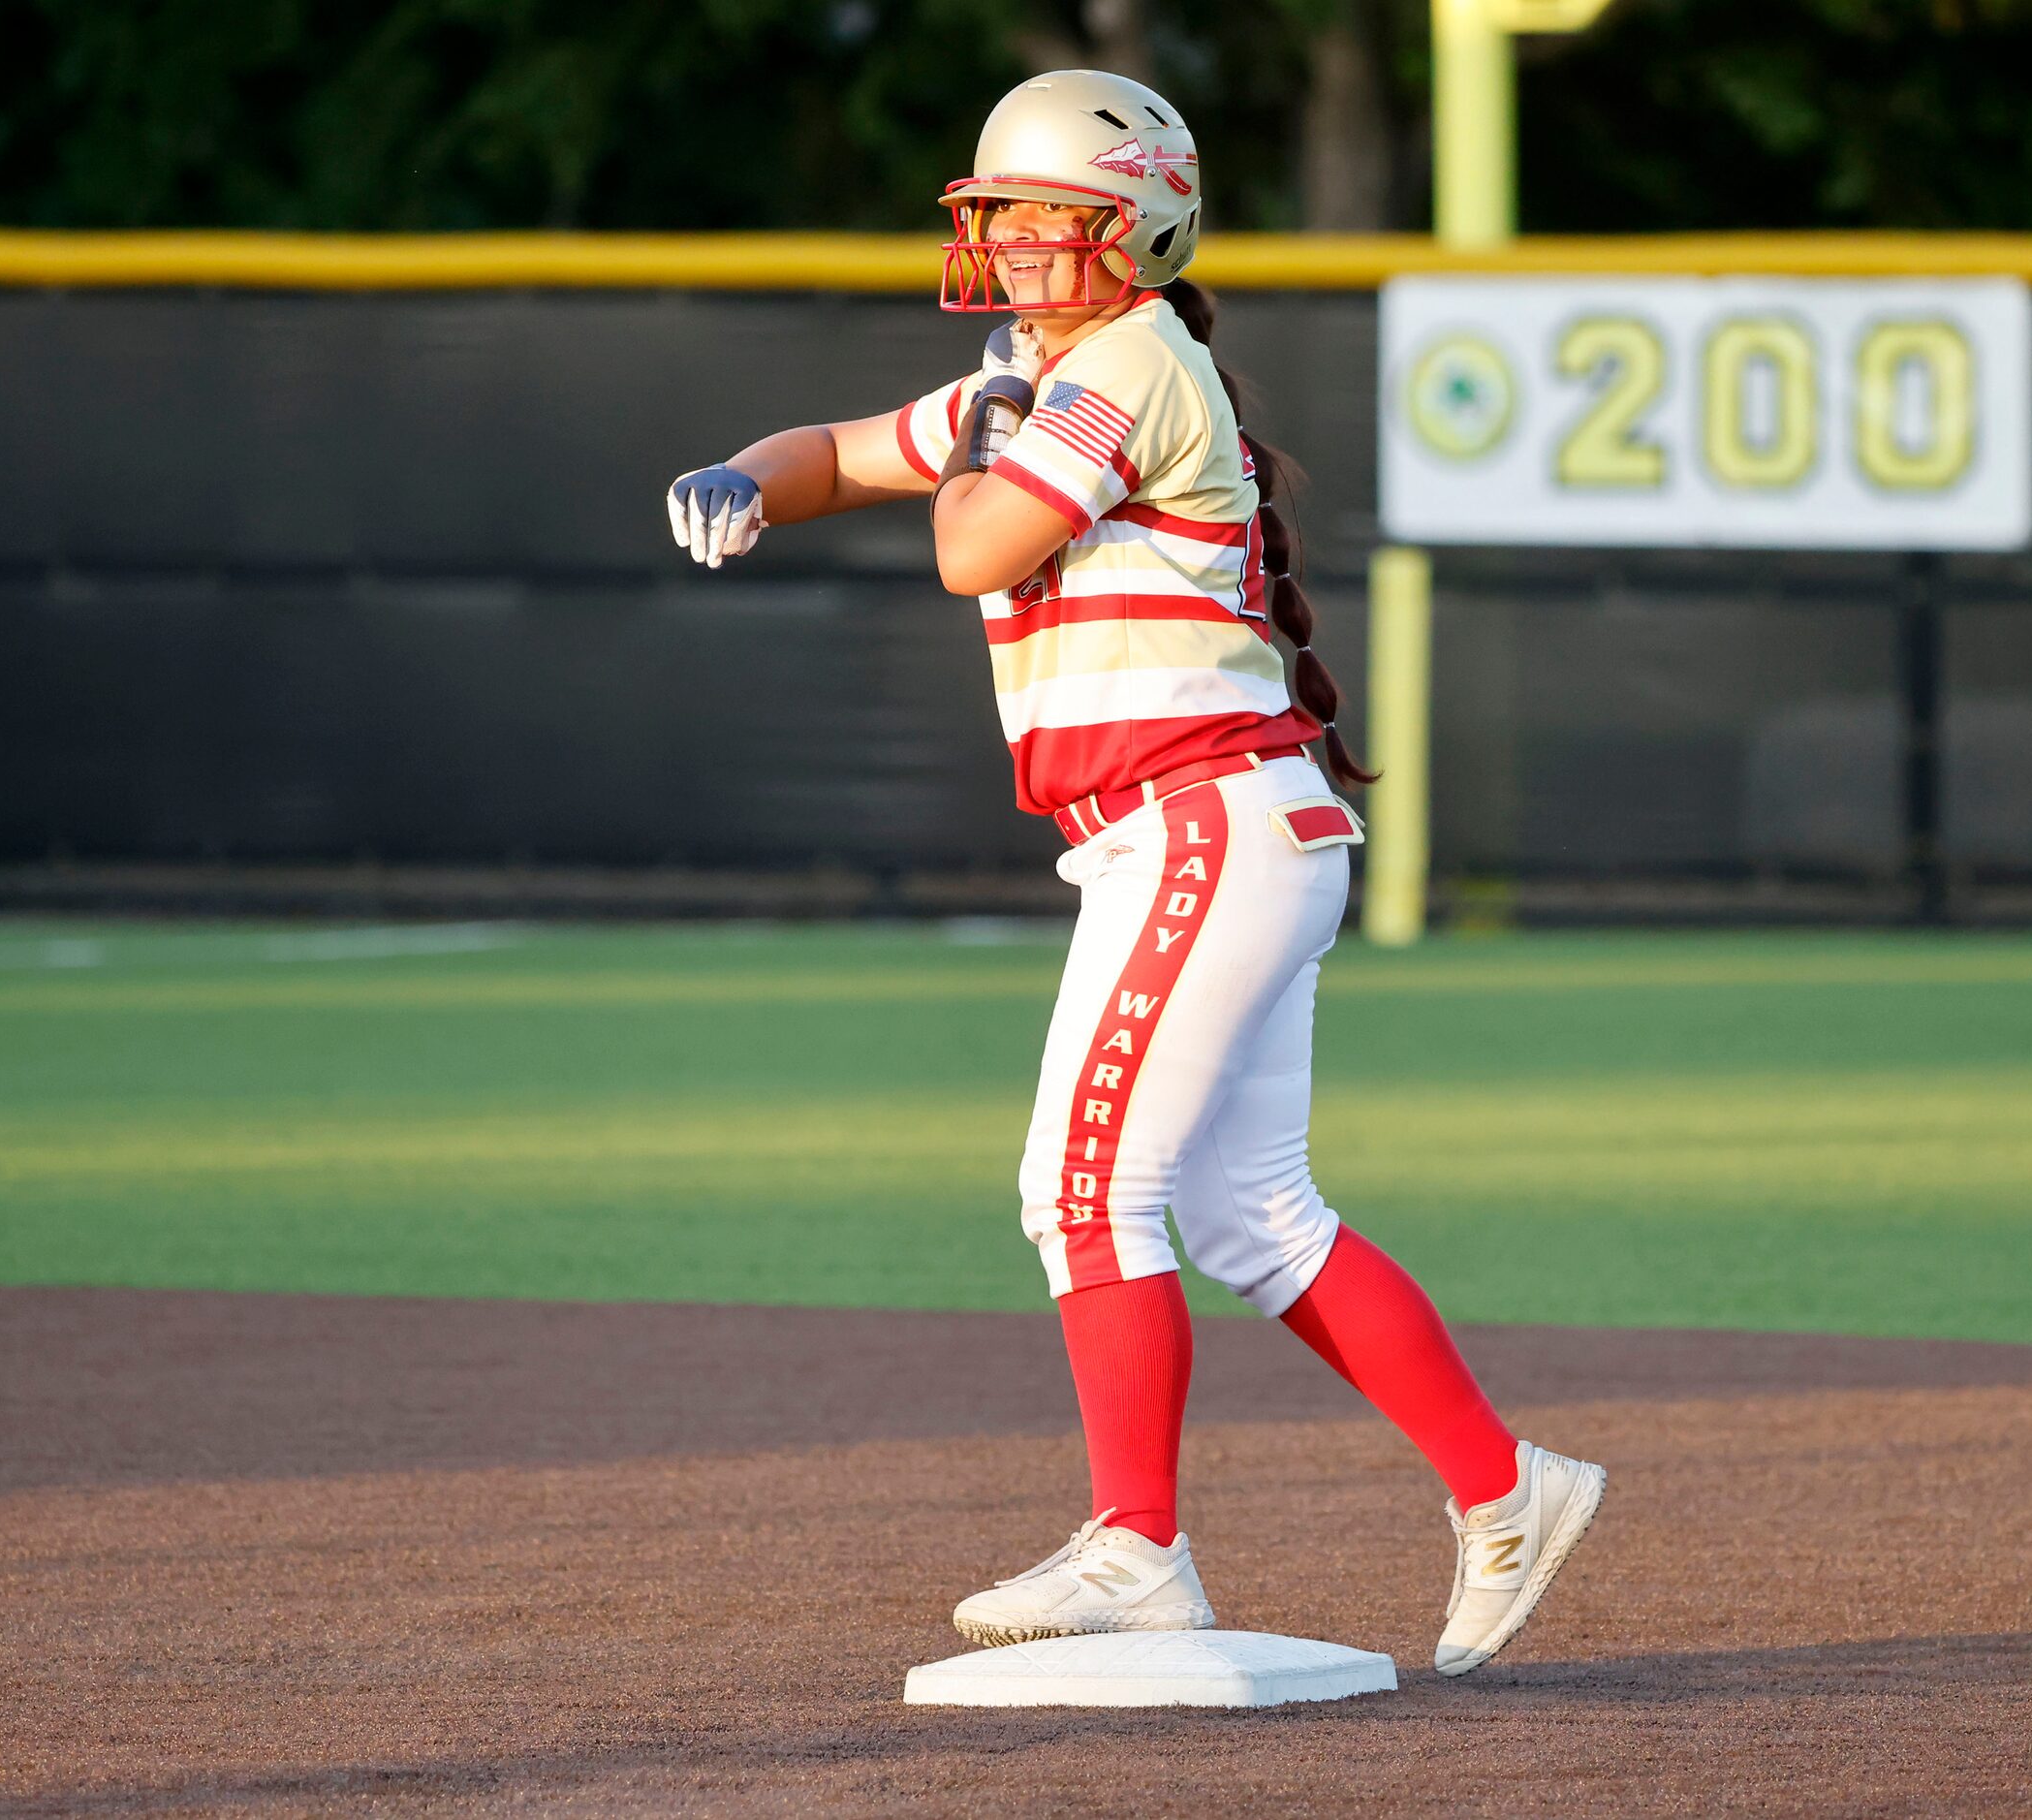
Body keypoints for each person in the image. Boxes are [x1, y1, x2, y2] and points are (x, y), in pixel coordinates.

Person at [666, 69, 1605, 1678]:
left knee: (1082, 1186)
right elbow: (833, 447)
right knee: (1250, 1211)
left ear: (1142, 228)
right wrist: (751, 473)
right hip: (1229, 826)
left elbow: (971, 541)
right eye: (1003, 212)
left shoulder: (1122, 362)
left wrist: (976, 433)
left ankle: (1138, 1546)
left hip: (1200, 819)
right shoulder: (1050, 370)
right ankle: (1507, 1486)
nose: (1020, 241)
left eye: (1056, 214)